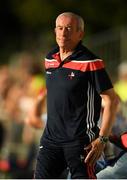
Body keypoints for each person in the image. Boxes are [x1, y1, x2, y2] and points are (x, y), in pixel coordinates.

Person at [34, 12, 117, 179]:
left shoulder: (91, 62)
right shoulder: (49, 58)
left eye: (69, 29)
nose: (63, 33)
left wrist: (102, 139)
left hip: (79, 142)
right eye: (60, 28)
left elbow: (112, 101)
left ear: (81, 33)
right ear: (55, 31)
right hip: (50, 140)